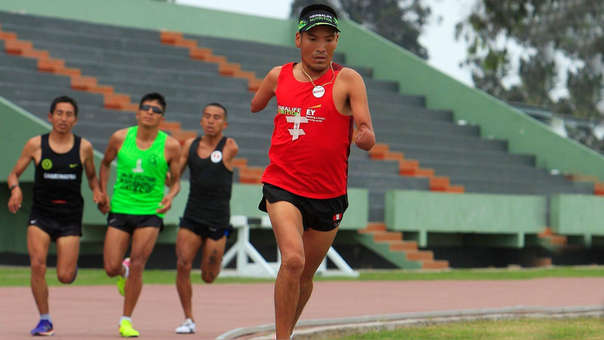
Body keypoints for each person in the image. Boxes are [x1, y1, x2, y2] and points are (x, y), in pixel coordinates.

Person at [250, 4, 376, 339]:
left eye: (328, 39)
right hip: (282, 185)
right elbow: (257, 102)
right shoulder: (279, 75)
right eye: (313, 38)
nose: (321, 46)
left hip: (329, 193)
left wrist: (364, 135)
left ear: (336, 41)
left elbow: (365, 127)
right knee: (292, 260)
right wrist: (266, 102)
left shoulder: (348, 79)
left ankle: (287, 332)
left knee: (304, 275)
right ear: (298, 39)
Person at [7, 96, 104, 336]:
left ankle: (71, 269)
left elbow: (92, 177)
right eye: (59, 113)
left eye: (68, 114)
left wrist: (98, 192)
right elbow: (13, 174)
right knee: (37, 265)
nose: (63, 118)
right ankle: (45, 320)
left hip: (70, 216)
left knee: (65, 276)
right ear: (50, 117)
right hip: (41, 213)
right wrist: (15, 189)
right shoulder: (35, 145)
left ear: (75, 119)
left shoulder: (84, 148)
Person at [98, 92, 181, 338]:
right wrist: (102, 192)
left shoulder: (171, 145)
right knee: (111, 267)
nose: (150, 112)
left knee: (138, 264)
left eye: (155, 110)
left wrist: (170, 196)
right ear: (137, 112)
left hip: (149, 212)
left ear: (161, 117)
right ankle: (121, 272)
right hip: (121, 208)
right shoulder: (120, 137)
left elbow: (176, 181)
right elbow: (104, 163)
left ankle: (126, 320)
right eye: (146, 108)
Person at [173, 103, 239, 334]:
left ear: (224, 123)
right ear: (201, 120)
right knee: (182, 264)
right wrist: (170, 194)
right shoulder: (189, 145)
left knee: (208, 276)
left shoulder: (229, 147)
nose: (211, 121)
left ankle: (213, 265)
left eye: (217, 117)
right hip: (192, 215)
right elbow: (175, 177)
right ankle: (188, 318)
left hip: (218, 220)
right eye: (207, 117)